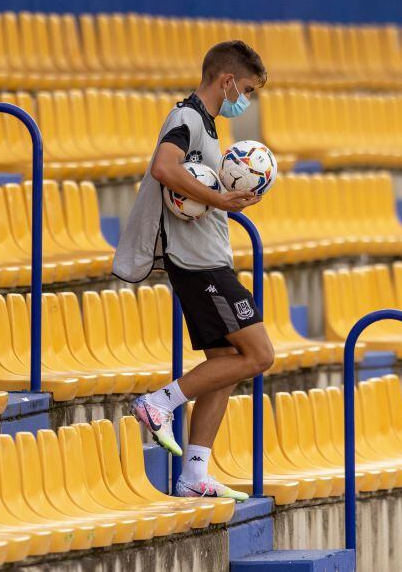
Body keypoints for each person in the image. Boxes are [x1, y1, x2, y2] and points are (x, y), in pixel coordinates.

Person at [112, 40, 274, 501]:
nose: (244, 98)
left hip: (209, 260)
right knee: (260, 355)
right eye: (244, 89)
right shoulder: (185, 118)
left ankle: (194, 473)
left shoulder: (205, 124)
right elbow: (165, 167)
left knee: (225, 364)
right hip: (198, 265)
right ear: (226, 81)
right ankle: (157, 404)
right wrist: (221, 199)